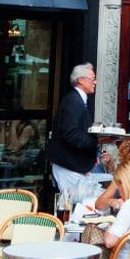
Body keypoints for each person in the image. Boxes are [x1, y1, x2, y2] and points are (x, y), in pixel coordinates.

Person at [47, 63, 101, 208]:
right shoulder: (73, 101)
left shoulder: (78, 101)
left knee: (73, 206)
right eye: (93, 78)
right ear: (81, 80)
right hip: (67, 167)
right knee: (69, 207)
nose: (95, 82)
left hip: (74, 167)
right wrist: (95, 142)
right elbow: (70, 133)